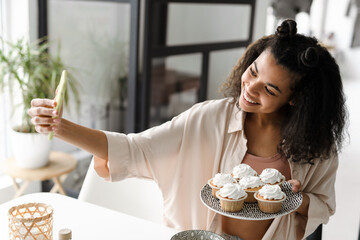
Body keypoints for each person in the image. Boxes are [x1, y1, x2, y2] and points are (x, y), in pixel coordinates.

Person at [28, 19, 347, 240]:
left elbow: (323, 206)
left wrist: (295, 198)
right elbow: (134, 149)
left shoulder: (317, 147)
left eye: (270, 90)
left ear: (296, 100)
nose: (250, 88)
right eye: (252, 72)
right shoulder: (208, 118)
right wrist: (60, 126)